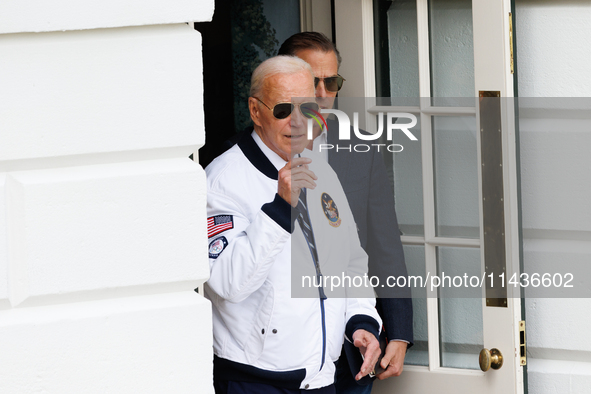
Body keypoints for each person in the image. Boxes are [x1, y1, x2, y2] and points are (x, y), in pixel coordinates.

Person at [204, 55, 383, 393]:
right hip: (255, 379)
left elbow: (351, 261)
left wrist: (360, 321)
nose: (299, 123)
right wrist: (280, 209)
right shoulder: (222, 180)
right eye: (284, 110)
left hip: (321, 377)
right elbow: (227, 283)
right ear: (255, 111)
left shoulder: (320, 169)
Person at [278, 32, 414, 393]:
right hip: (281, 353)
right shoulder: (249, 152)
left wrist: (398, 332)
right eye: (312, 81)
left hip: (353, 348)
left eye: (331, 82)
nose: (322, 93)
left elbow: (384, 242)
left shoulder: (363, 147)